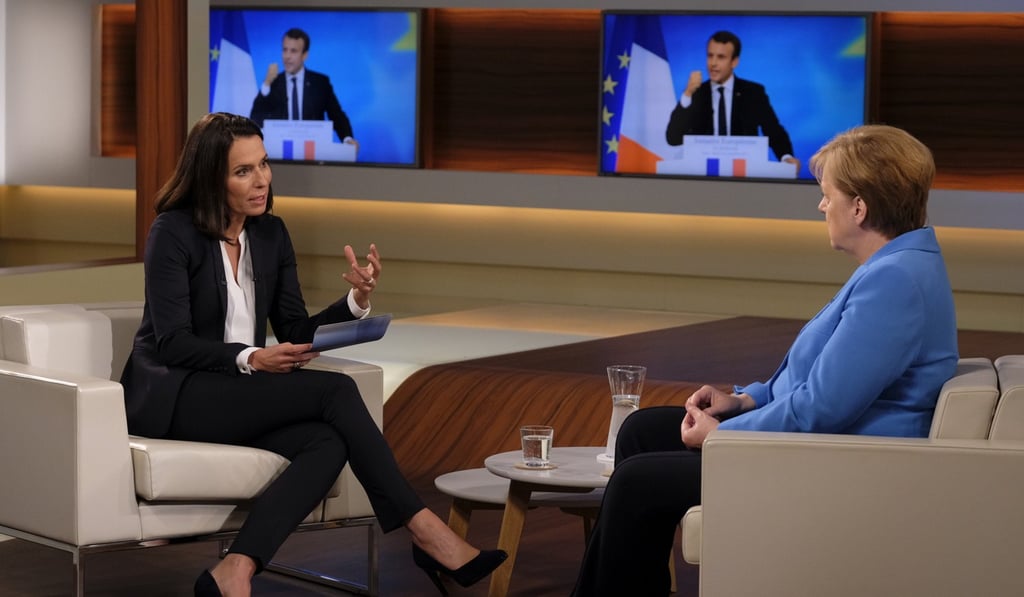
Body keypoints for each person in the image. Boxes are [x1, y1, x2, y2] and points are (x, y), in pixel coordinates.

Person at [120, 112, 504, 597]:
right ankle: (426, 530)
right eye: (243, 171)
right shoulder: (172, 232)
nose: (261, 180)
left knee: (326, 442)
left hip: (238, 394)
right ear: (209, 177)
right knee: (335, 391)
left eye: (263, 164)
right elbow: (172, 342)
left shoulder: (270, 233)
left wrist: (355, 303)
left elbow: (295, 328)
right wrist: (252, 358)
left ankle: (234, 569)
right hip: (176, 396)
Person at [572, 124, 958, 596]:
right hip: (824, 443)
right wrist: (740, 403)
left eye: (827, 194)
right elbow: (811, 383)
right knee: (642, 431)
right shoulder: (896, 266)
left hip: (841, 463)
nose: (822, 206)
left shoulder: (894, 283)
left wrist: (724, 437)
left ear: (859, 207)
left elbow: (823, 408)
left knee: (636, 482)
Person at [665, 30, 799, 172]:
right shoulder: (697, 94)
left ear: (734, 61)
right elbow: (673, 138)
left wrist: (786, 157)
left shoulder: (753, 92)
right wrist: (687, 94)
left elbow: (773, 129)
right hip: (704, 176)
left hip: (745, 176)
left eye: (721, 57)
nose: (713, 63)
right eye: (710, 56)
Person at [249, 28, 358, 149]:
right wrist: (266, 83)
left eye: (293, 51)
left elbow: (337, 115)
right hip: (280, 156)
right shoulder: (273, 83)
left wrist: (347, 138)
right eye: (285, 50)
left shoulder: (320, 83)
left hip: (312, 155)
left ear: (305, 55)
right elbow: (255, 118)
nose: (287, 56)